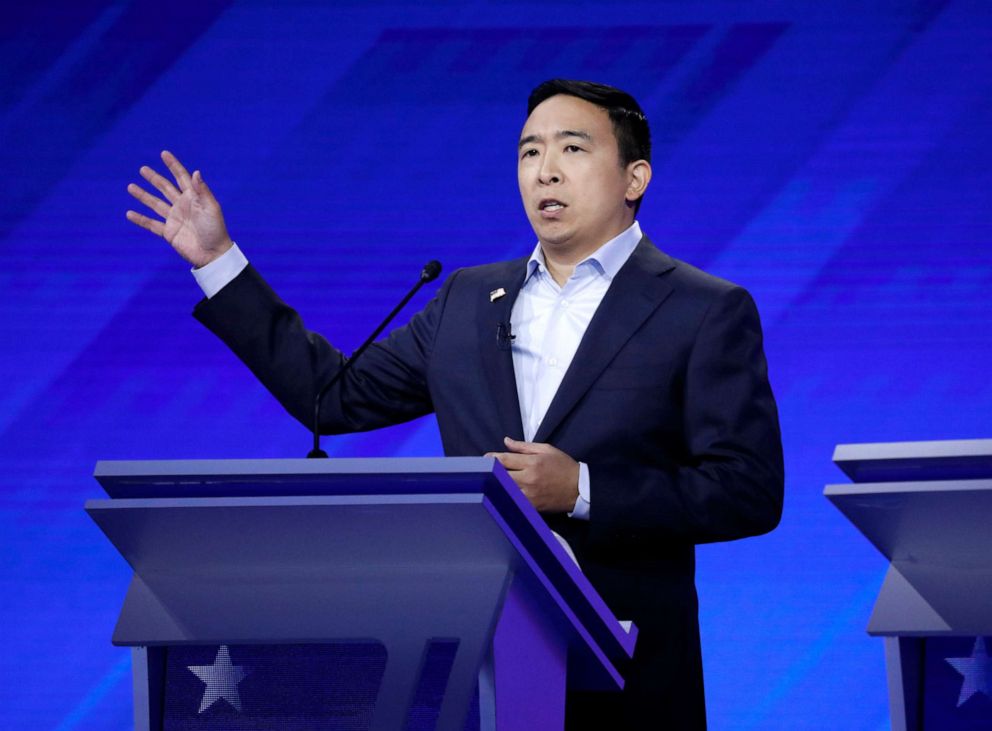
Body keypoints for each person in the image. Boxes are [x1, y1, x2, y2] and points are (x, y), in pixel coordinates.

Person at [127, 79, 784, 729]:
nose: (545, 171)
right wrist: (217, 260)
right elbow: (332, 397)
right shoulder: (467, 300)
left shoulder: (701, 309)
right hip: (478, 668)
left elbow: (747, 490)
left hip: (631, 678)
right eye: (529, 153)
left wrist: (583, 487)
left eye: (572, 149)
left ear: (634, 177)